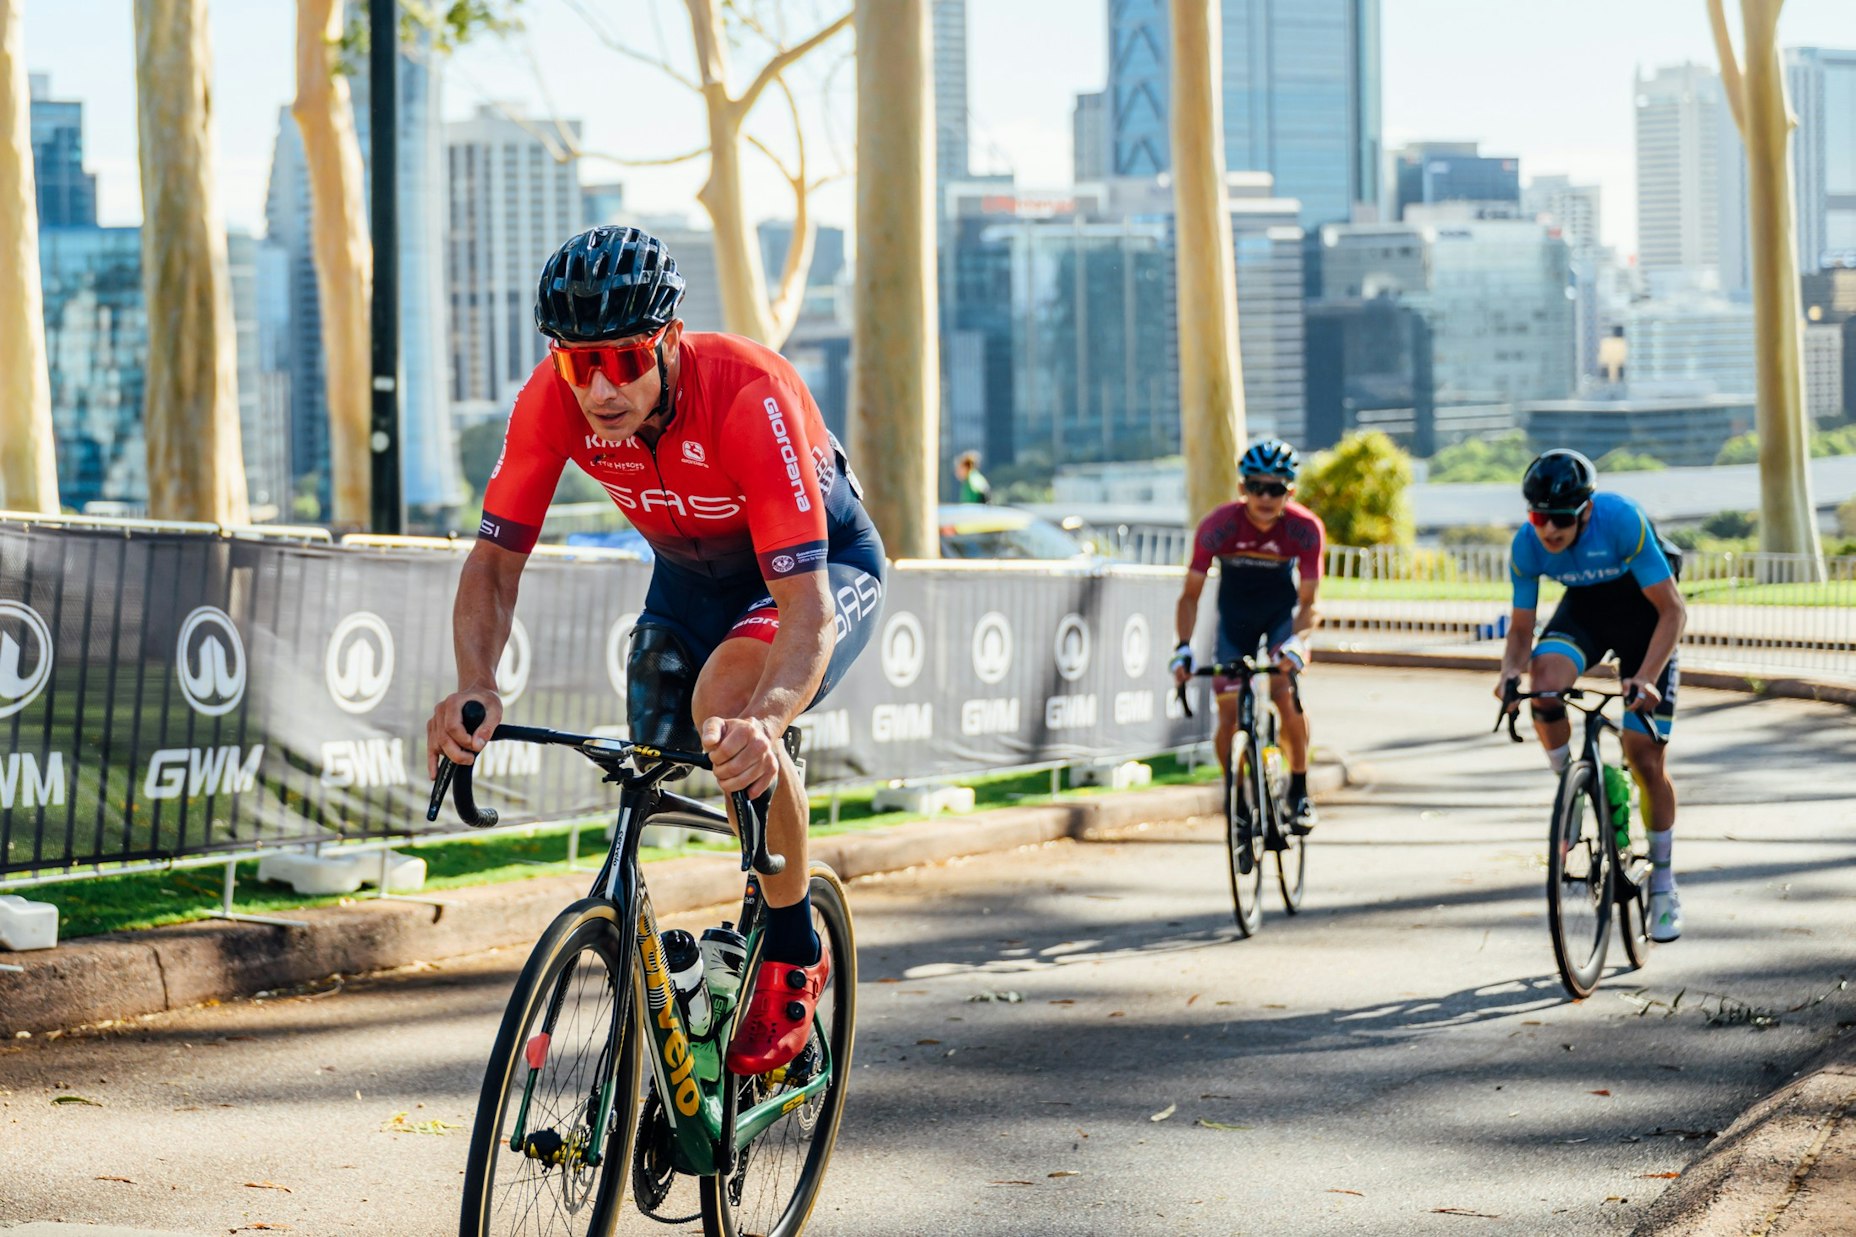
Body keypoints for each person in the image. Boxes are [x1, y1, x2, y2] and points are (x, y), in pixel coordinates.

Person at [425, 226, 886, 1073]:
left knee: (728, 705)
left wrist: (770, 718)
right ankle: (695, 985)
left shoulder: (750, 393)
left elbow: (807, 604)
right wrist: (474, 684)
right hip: (687, 579)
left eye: (627, 358)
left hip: (814, 572)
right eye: (578, 362)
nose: (602, 386)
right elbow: (493, 562)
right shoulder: (551, 400)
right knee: (647, 756)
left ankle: (791, 948)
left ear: (671, 341)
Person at [1495, 448, 1687, 941]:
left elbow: (1673, 613)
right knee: (1544, 686)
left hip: (1645, 617)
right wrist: (1510, 674)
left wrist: (1644, 676)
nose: (1549, 530)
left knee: (1644, 758)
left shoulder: (1621, 519)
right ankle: (1571, 787)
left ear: (1585, 510)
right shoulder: (1526, 546)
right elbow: (1521, 630)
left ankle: (1663, 881)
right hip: (1585, 613)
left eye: (1560, 519)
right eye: (1539, 517)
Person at [1168, 438, 1326, 832]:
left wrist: (1298, 641)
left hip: (1279, 619)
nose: (1265, 497)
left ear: (1290, 491)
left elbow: (1310, 603)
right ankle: (1237, 796)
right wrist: (1184, 648)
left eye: (1276, 488)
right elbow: (1190, 595)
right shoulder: (1219, 526)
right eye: (1257, 486)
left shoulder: (1304, 530)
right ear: (1242, 488)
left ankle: (1300, 789)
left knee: (1284, 694)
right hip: (1234, 620)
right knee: (1226, 709)